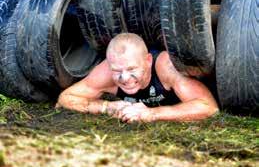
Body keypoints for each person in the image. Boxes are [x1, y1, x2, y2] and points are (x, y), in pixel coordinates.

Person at [56, 33, 219, 123]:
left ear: (147, 61)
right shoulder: (106, 72)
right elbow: (65, 98)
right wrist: (106, 107)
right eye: (117, 70)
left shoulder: (165, 66)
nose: (124, 78)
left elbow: (208, 107)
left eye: (131, 69)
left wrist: (152, 114)